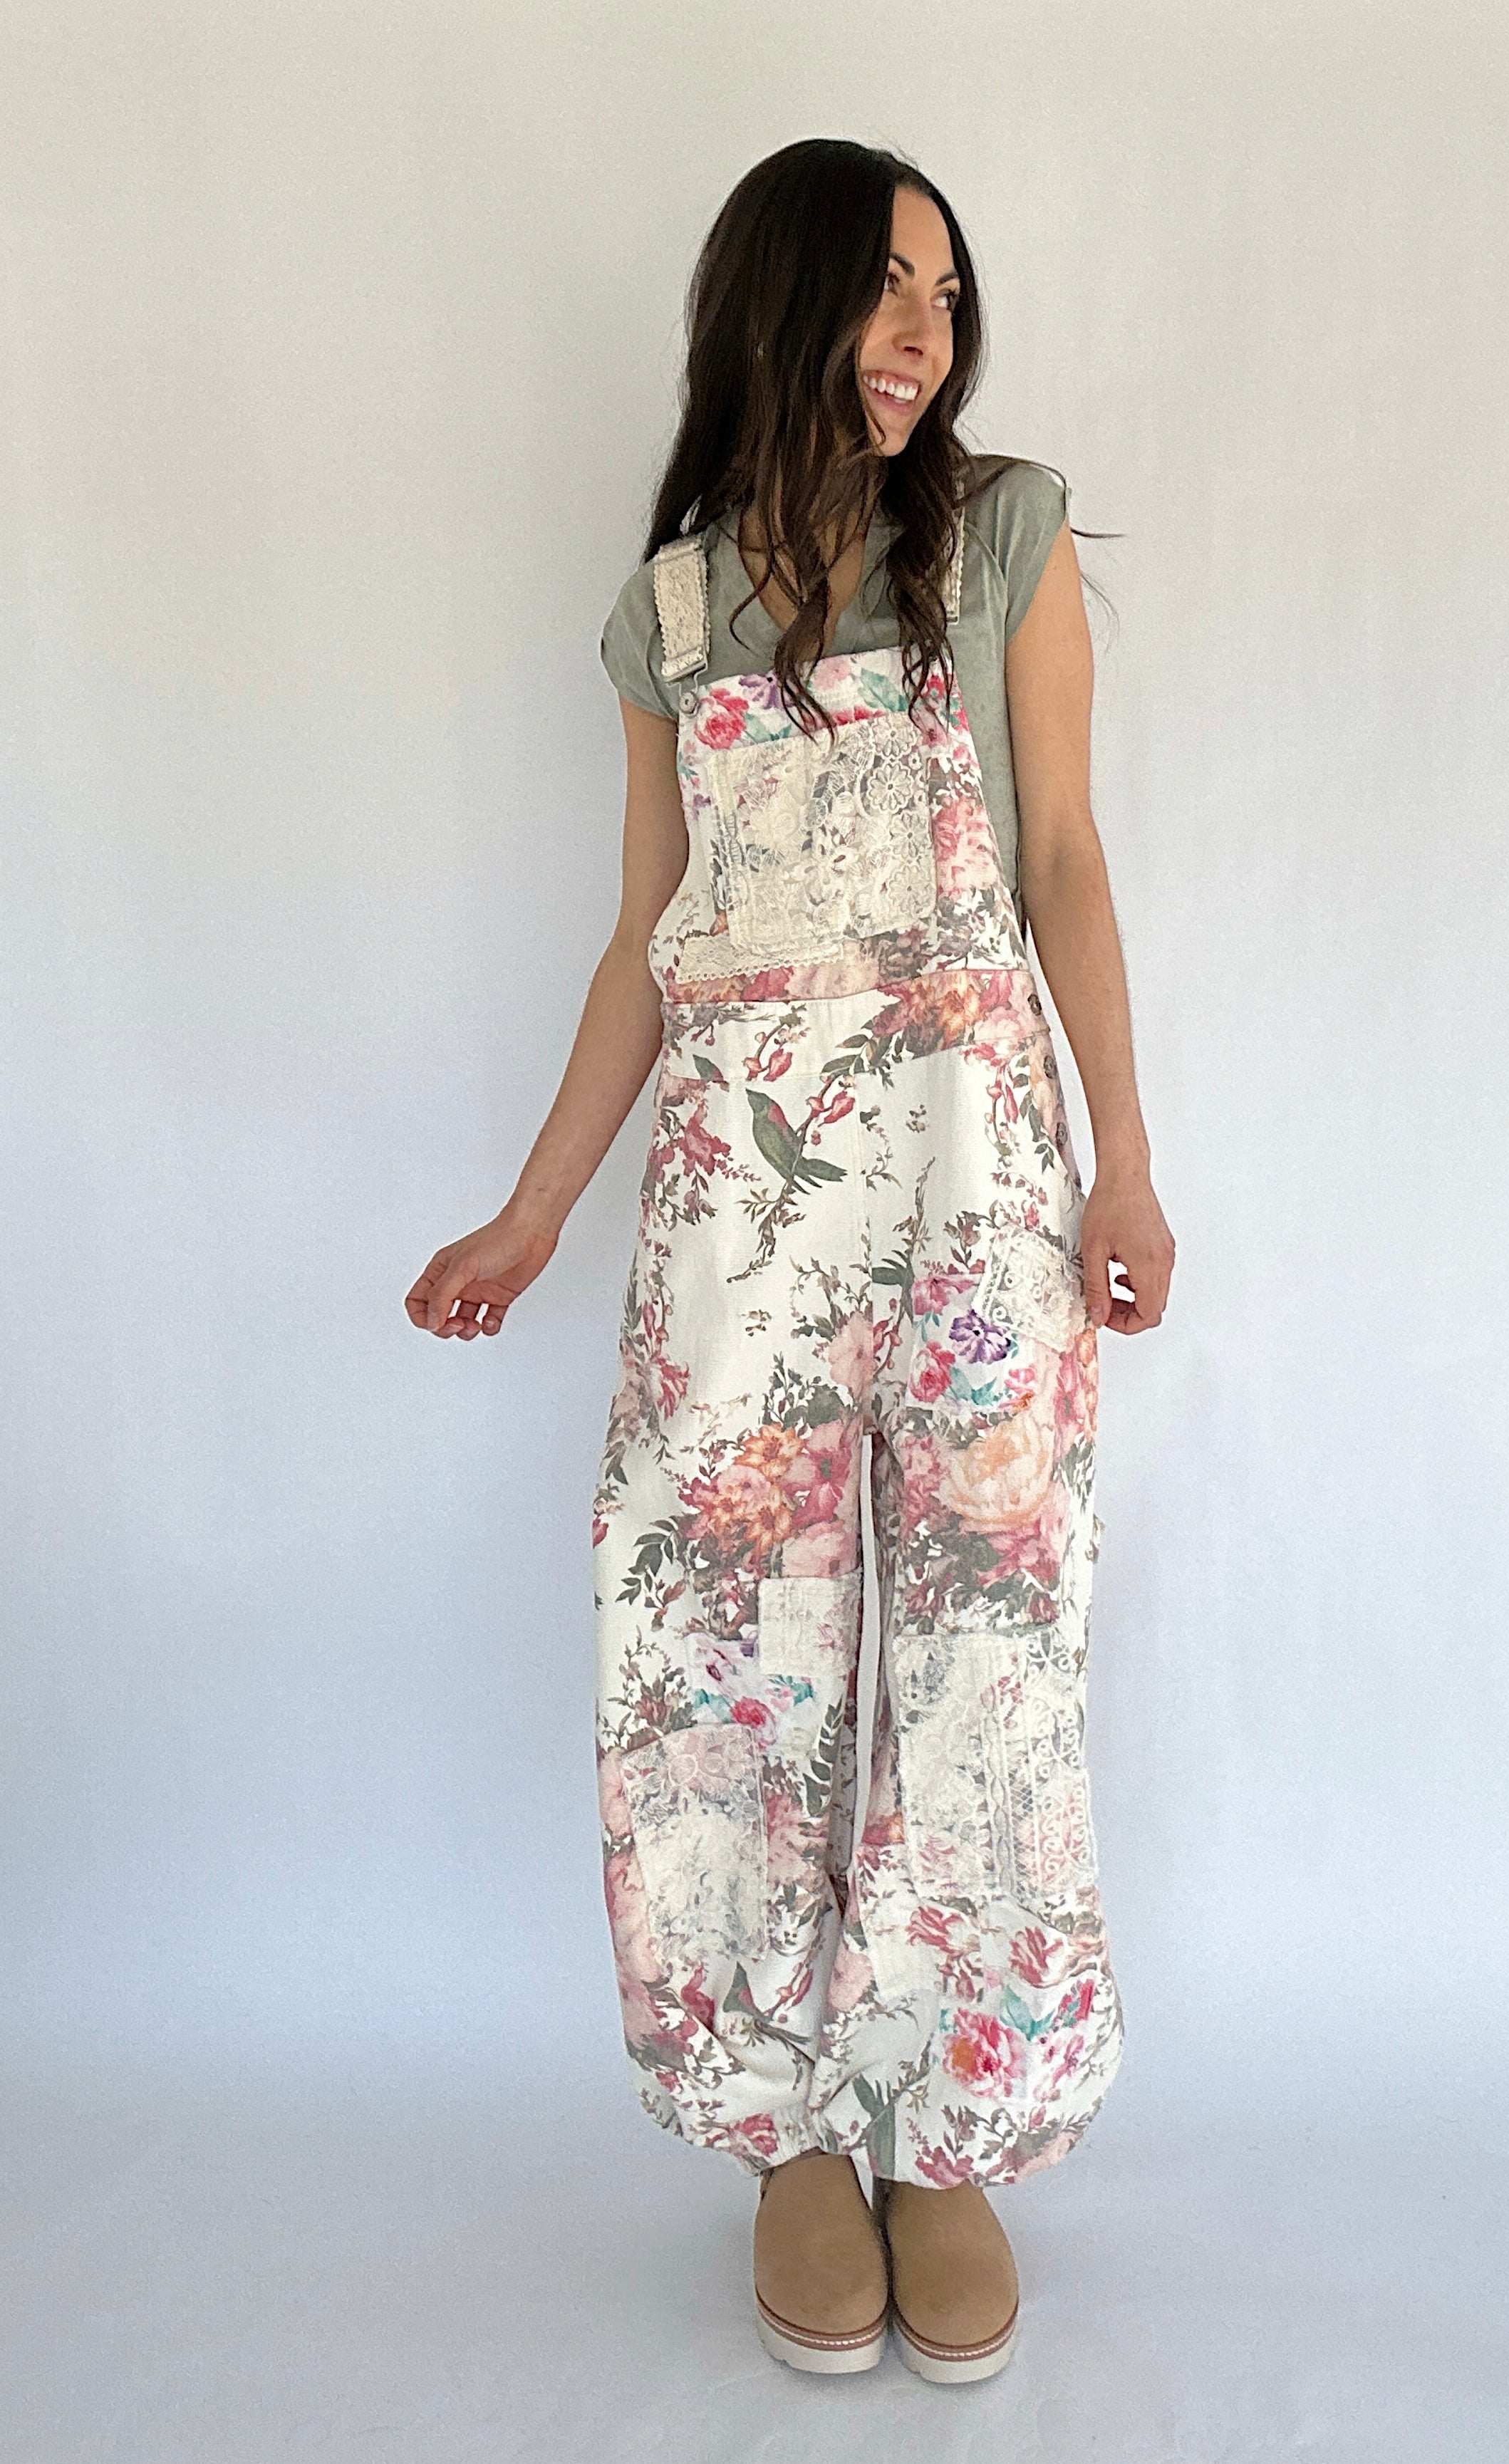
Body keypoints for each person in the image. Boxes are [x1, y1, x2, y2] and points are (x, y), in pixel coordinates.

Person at [405, 137, 1173, 2386]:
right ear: (778, 300)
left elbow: (1062, 856)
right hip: (740, 1214)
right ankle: (786, 2128)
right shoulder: (666, 614)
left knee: (986, 1640)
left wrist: (1125, 1165)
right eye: (881, 284)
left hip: (976, 1181)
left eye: (946, 291)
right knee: (715, 1648)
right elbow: (646, 942)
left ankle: (947, 2124)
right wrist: (537, 1206)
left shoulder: (1004, 536)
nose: (924, 331)